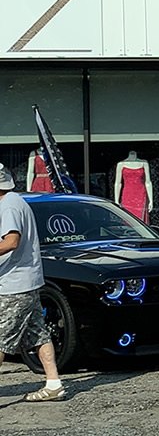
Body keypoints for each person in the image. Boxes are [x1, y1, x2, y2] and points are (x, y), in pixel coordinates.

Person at [0, 162, 66, 401]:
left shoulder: (7, 207)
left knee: (0, 339)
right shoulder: (16, 201)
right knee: (38, 333)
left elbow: (11, 241)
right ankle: (54, 384)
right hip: (26, 281)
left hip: (13, 285)